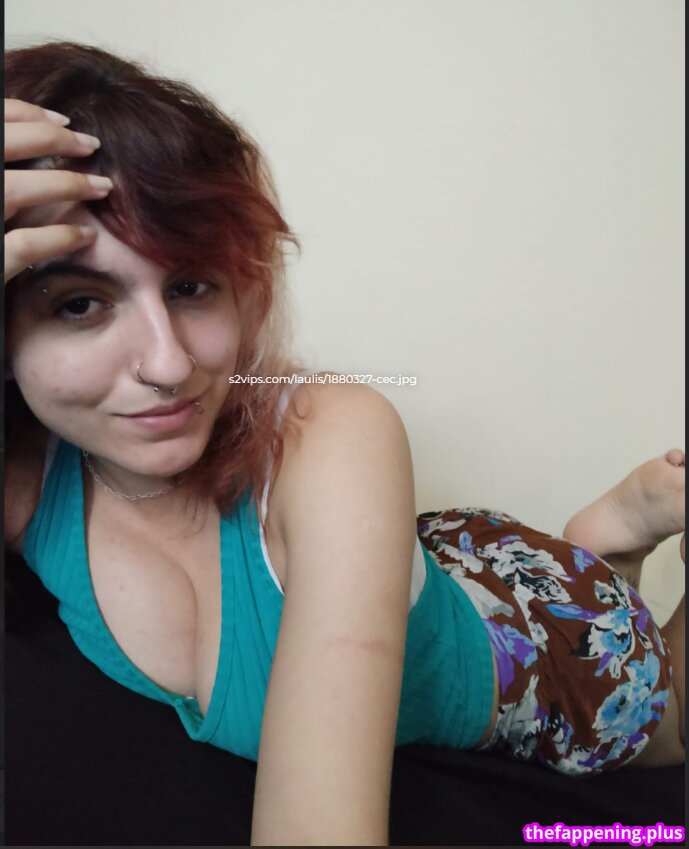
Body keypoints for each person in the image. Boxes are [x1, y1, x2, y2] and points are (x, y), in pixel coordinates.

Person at [3, 41, 685, 846]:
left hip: (536, 638)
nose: (169, 364)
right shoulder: (31, 472)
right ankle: (599, 547)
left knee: (668, 722)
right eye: (79, 304)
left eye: (189, 286)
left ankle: (602, 559)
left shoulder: (335, 428)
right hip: (415, 560)